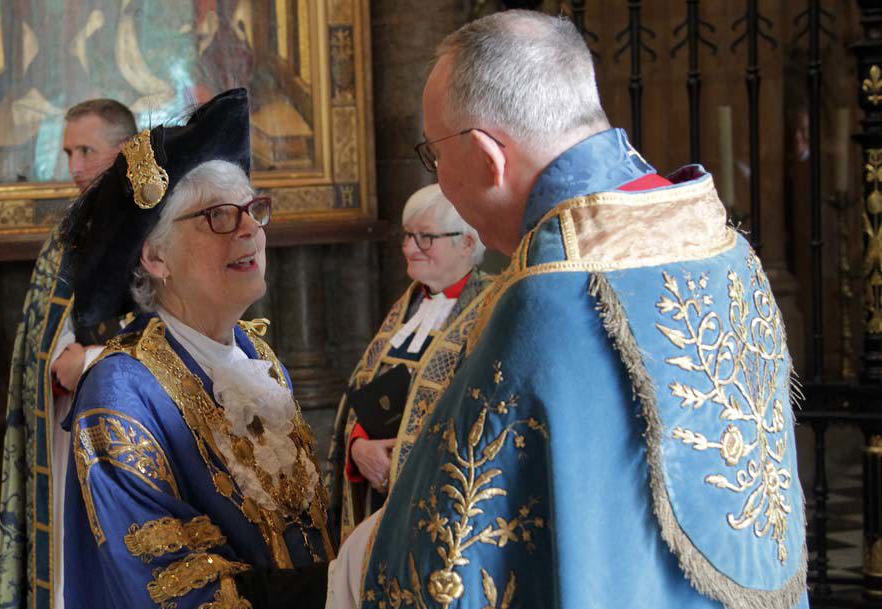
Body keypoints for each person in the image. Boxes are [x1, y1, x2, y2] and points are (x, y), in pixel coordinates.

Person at [354, 11, 808, 609]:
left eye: (433, 151)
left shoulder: (548, 295)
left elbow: (450, 556)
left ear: (490, 156)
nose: (437, 171)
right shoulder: (723, 244)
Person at [57, 88, 331, 608]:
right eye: (219, 216)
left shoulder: (259, 360)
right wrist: (340, 587)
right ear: (156, 258)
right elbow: (173, 587)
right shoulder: (120, 394)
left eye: (253, 209)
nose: (249, 227)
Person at [0, 99, 136, 609]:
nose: (74, 167)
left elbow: (180, 329)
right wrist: (54, 366)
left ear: (124, 151)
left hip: (131, 431)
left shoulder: (158, 221)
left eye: (86, 151)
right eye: (67, 152)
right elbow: (44, 329)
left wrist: (94, 357)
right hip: (63, 424)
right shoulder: (68, 229)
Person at [327, 184, 491, 542]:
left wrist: (399, 457)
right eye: (407, 236)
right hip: (377, 499)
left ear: (467, 242)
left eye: (424, 238)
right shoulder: (406, 308)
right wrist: (358, 447)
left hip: (440, 507)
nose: (408, 248)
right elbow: (361, 394)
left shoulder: (492, 309)